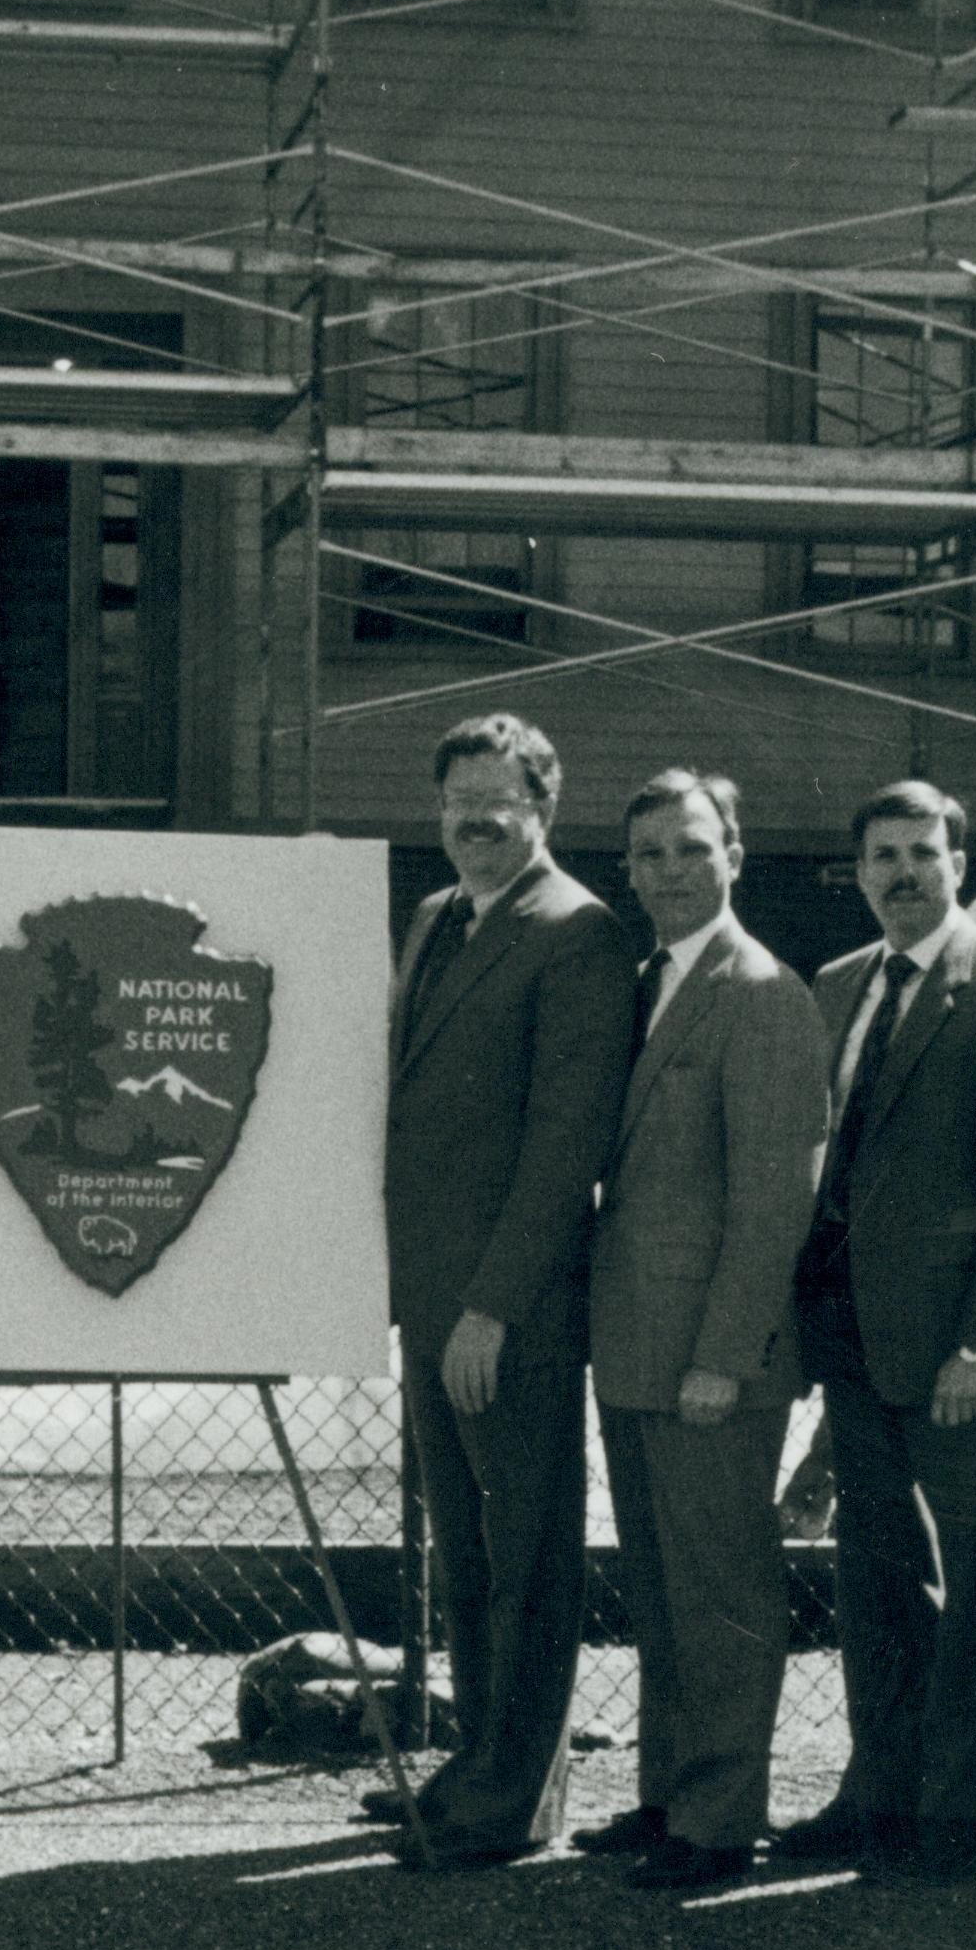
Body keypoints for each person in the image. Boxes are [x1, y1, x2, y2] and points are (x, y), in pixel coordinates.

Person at [780, 780, 976, 1886]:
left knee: (975, 1580)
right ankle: (882, 1789)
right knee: (875, 1576)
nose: (901, 873)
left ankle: (960, 1813)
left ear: (958, 859)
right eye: (881, 855)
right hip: (852, 1333)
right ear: (856, 871)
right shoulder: (838, 983)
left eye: (921, 851)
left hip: (954, 1346)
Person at [379, 711, 634, 1869]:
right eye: (455, 803)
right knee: (466, 1551)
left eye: (498, 802)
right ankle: (482, 1765)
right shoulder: (438, 916)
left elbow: (563, 1143)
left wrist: (491, 1305)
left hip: (503, 1310)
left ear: (544, 806)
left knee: (527, 1548)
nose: (473, 822)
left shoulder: (576, 933)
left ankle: (517, 1796)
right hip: (429, 1298)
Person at [575, 771, 830, 1893]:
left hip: (707, 1358)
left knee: (720, 1591)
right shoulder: (650, 980)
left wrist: (723, 1357)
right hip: (635, 1342)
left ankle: (722, 1823)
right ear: (624, 870)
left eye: (688, 848)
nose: (667, 872)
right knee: (662, 1584)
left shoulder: (760, 990)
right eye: (646, 854)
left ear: (735, 851)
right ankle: (669, 1794)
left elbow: (774, 1198)